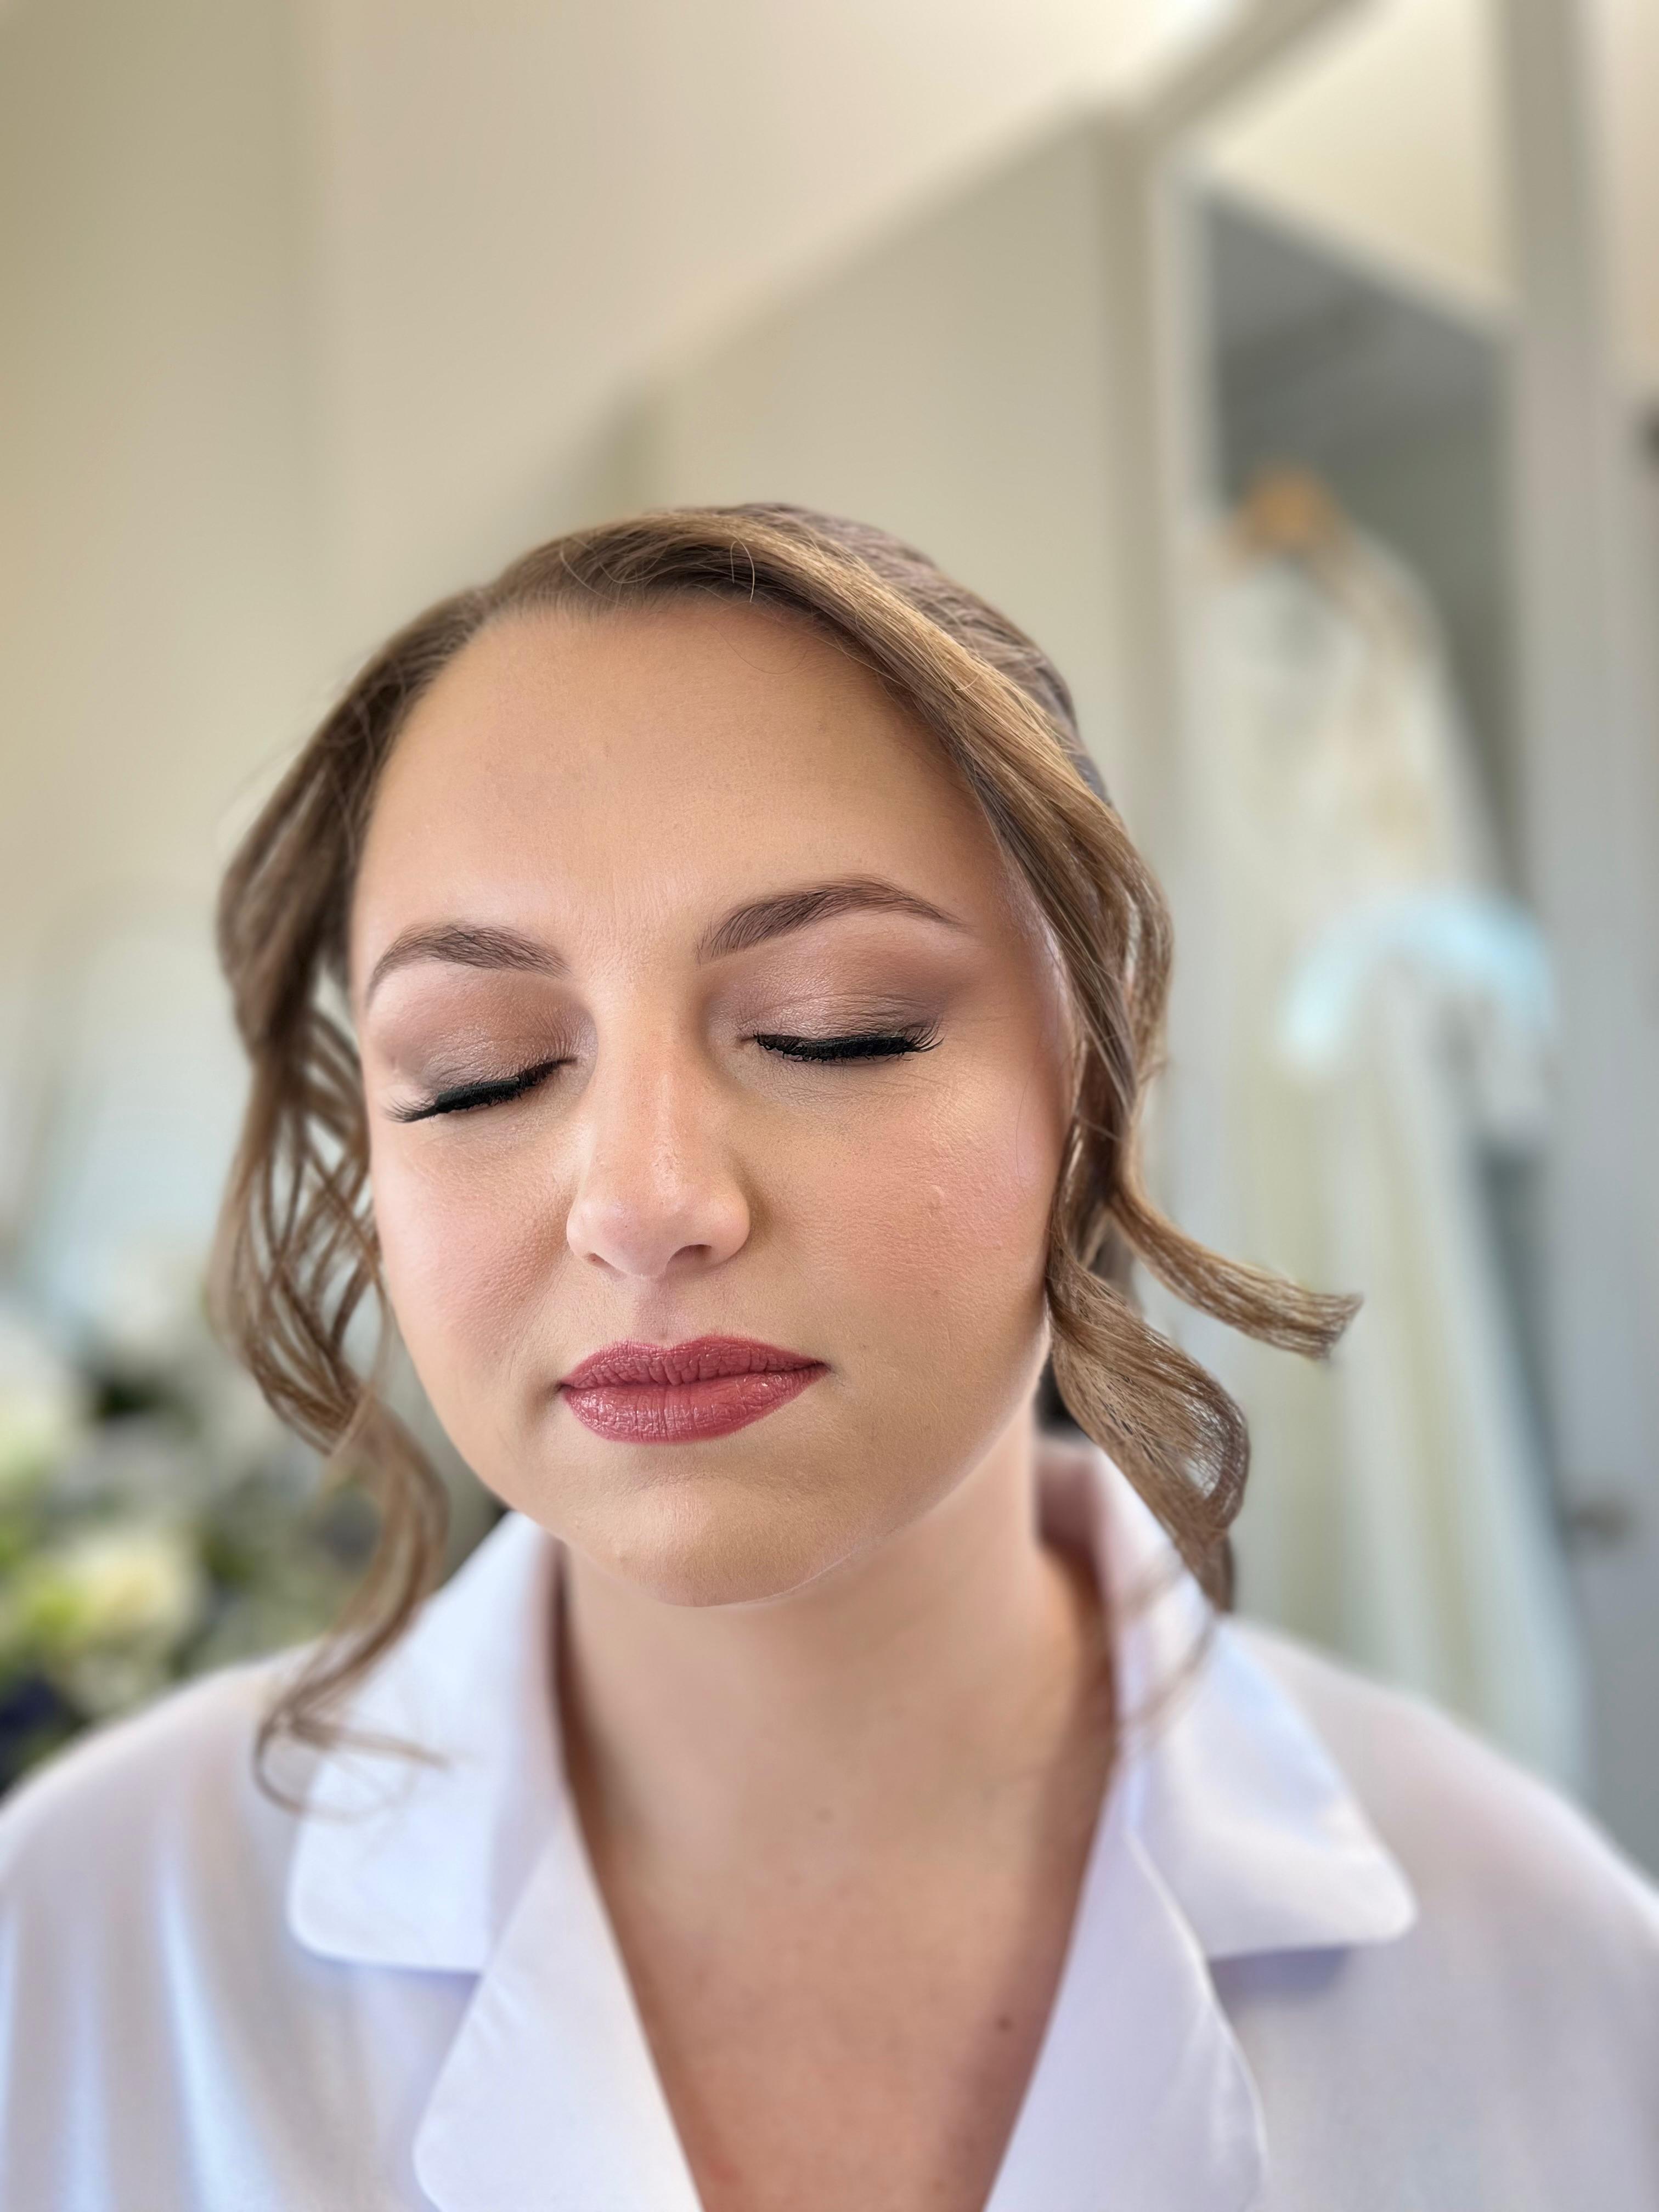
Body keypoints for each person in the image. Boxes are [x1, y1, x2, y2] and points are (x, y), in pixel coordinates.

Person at [0, 505, 1654, 2212]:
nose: (645, 1205)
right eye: (483, 1071)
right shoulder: (83, 1937)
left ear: (1097, 1087)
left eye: (832, 1030)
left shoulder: (1544, 1972)